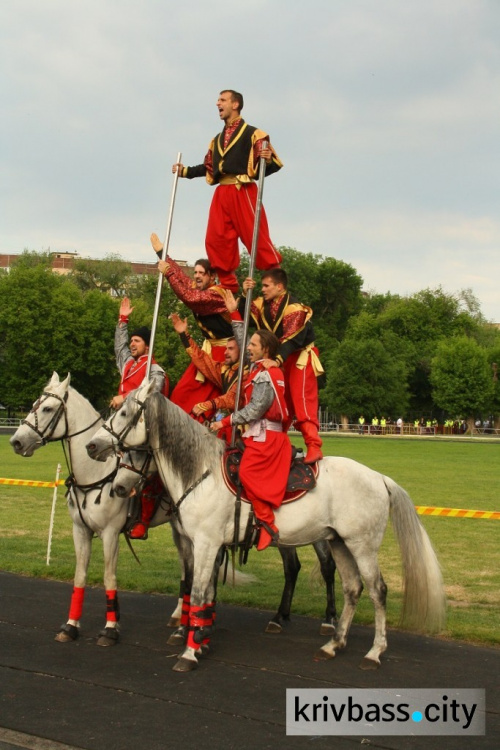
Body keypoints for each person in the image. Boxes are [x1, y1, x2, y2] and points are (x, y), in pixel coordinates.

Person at [172, 89, 283, 292]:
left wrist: (266, 159)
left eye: (222, 100)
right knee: (216, 239)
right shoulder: (216, 140)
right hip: (222, 192)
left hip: (243, 189)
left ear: (235, 104)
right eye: (217, 100)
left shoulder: (253, 134)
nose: (217, 104)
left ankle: (275, 286)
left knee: (255, 236)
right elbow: (208, 167)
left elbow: (270, 164)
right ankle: (228, 290)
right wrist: (184, 171)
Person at [210, 329, 292, 551]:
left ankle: (266, 523)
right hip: (258, 434)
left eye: (253, 345)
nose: (248, 348)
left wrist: (225, 422)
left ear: (265, 348)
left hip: (267, 437)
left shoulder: (266, 374)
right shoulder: (259, 370)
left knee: (246, 472)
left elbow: (256, 408)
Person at [241, 268, 324, 464]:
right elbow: (247, 316)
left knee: (301, 399)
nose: (262, 289)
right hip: (281, 358)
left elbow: (291, 340)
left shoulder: (294, 308)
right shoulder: (264, 306)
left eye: (266, 285)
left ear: (280, 287)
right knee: (279, 402)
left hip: (299, 357)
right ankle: (277, 443)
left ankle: (314, 445)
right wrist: (245, 294)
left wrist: (277, 360)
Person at [152, 234, 235, 419]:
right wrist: (161, 253)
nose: (196, 276)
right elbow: (181, 278)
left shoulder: (215, 294)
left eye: (201, 273)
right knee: (182, 392)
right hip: (208, 351)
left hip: (224, 353)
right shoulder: (201, 288)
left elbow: (190, 298)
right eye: (195, 272)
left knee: (206, 400)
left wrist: (168, 273)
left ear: (211, 276)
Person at [111, 297, 168, 539]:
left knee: (149, 475)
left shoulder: (154, 370)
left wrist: (124, 397)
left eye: (137, 341)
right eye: (132, 341)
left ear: (147, 346)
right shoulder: (128, 365)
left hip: (146, 431)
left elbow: (153, 391)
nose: (132, 345)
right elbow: (119, 348)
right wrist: (122, 321)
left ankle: (143, 521)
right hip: (123, 426)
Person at [170, 312, 243, 442]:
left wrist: (208, 404)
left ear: (242, 350)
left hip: (252, 428)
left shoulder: (249, 371)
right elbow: (201, 359)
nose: (225, 352)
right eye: (226, 348)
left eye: (231, 349)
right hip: (234, 427)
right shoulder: (224, 370)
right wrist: (184, 335)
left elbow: (233, 398)